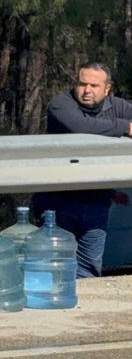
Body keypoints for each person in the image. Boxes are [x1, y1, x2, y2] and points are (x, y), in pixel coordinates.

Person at [34, 62, 132, 277]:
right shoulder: (61, 104)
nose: (87, 90)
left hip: (97, 201)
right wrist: (125, 127)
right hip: (58, 202)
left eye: (94, 86)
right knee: (57, 268)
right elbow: (80, 126)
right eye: (82, 84)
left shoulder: (118, 106)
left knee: (88, 270)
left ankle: (80, 310)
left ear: (107, 89)